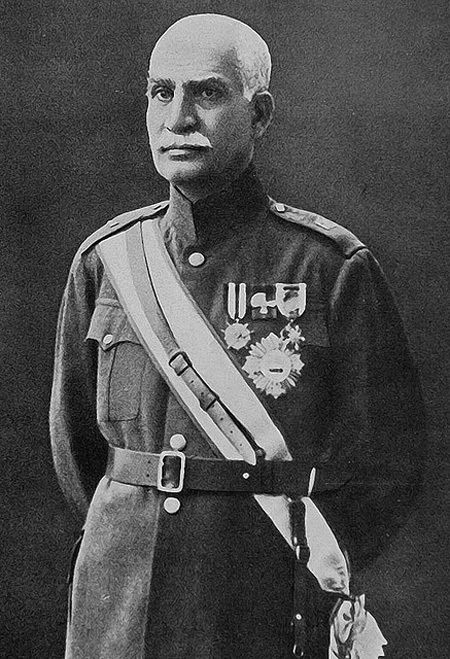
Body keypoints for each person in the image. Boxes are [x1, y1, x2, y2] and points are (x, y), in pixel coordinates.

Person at [50, 13, 425, 659]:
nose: (178, 118)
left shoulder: (327, 266)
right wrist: (128, 538)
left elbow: (390, 462)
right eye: (161, 92)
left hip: (263, 605)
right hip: (120, 603)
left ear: (260, 114)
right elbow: (76, 447)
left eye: (207, 93)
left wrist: (306, 568)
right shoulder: (107, 261)